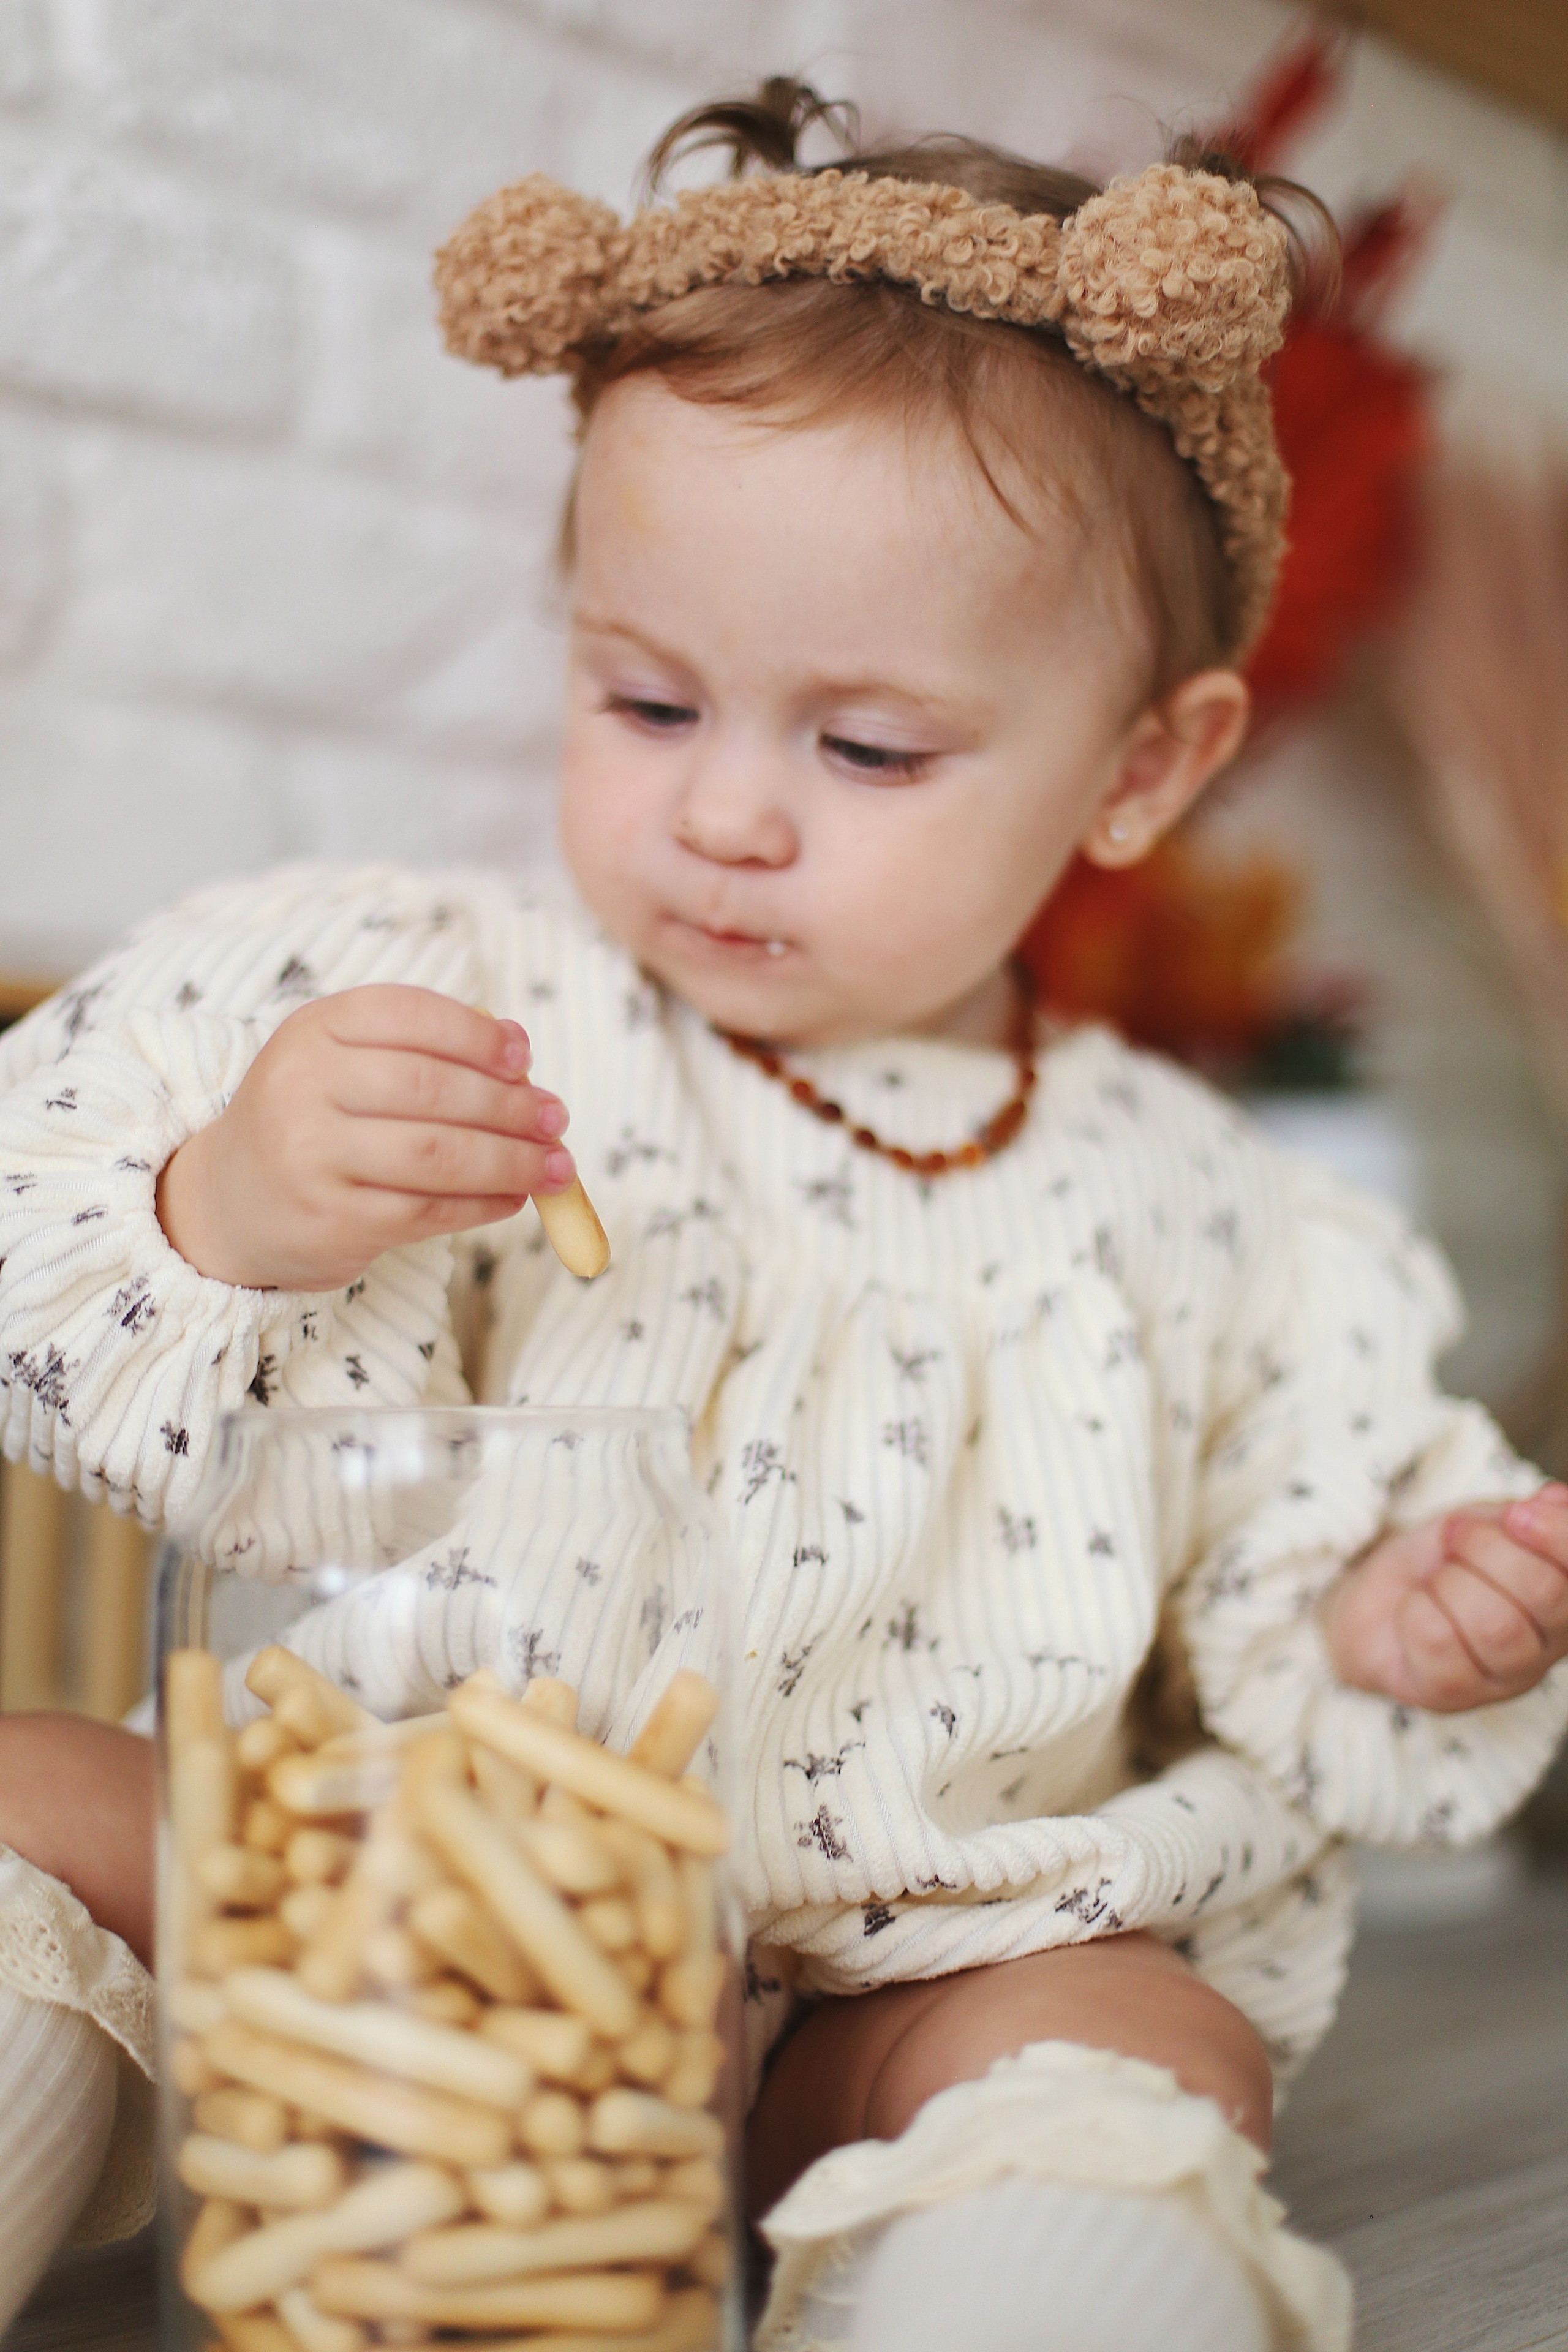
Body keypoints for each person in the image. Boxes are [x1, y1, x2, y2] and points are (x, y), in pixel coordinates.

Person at [1, 80, 1566, 2350]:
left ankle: (1009, 2288)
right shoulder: (409, 995)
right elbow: (33, 1235)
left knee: (1139, 2041)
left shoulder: (1204, 1208)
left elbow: (1294, 1564)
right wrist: (222, 1195)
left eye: (867, 750)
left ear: (1144, 766)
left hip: (879, 1992)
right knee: (41, 1796)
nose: (727, 809)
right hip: (403, 1928)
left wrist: (1396, 1616)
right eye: (646, 698)